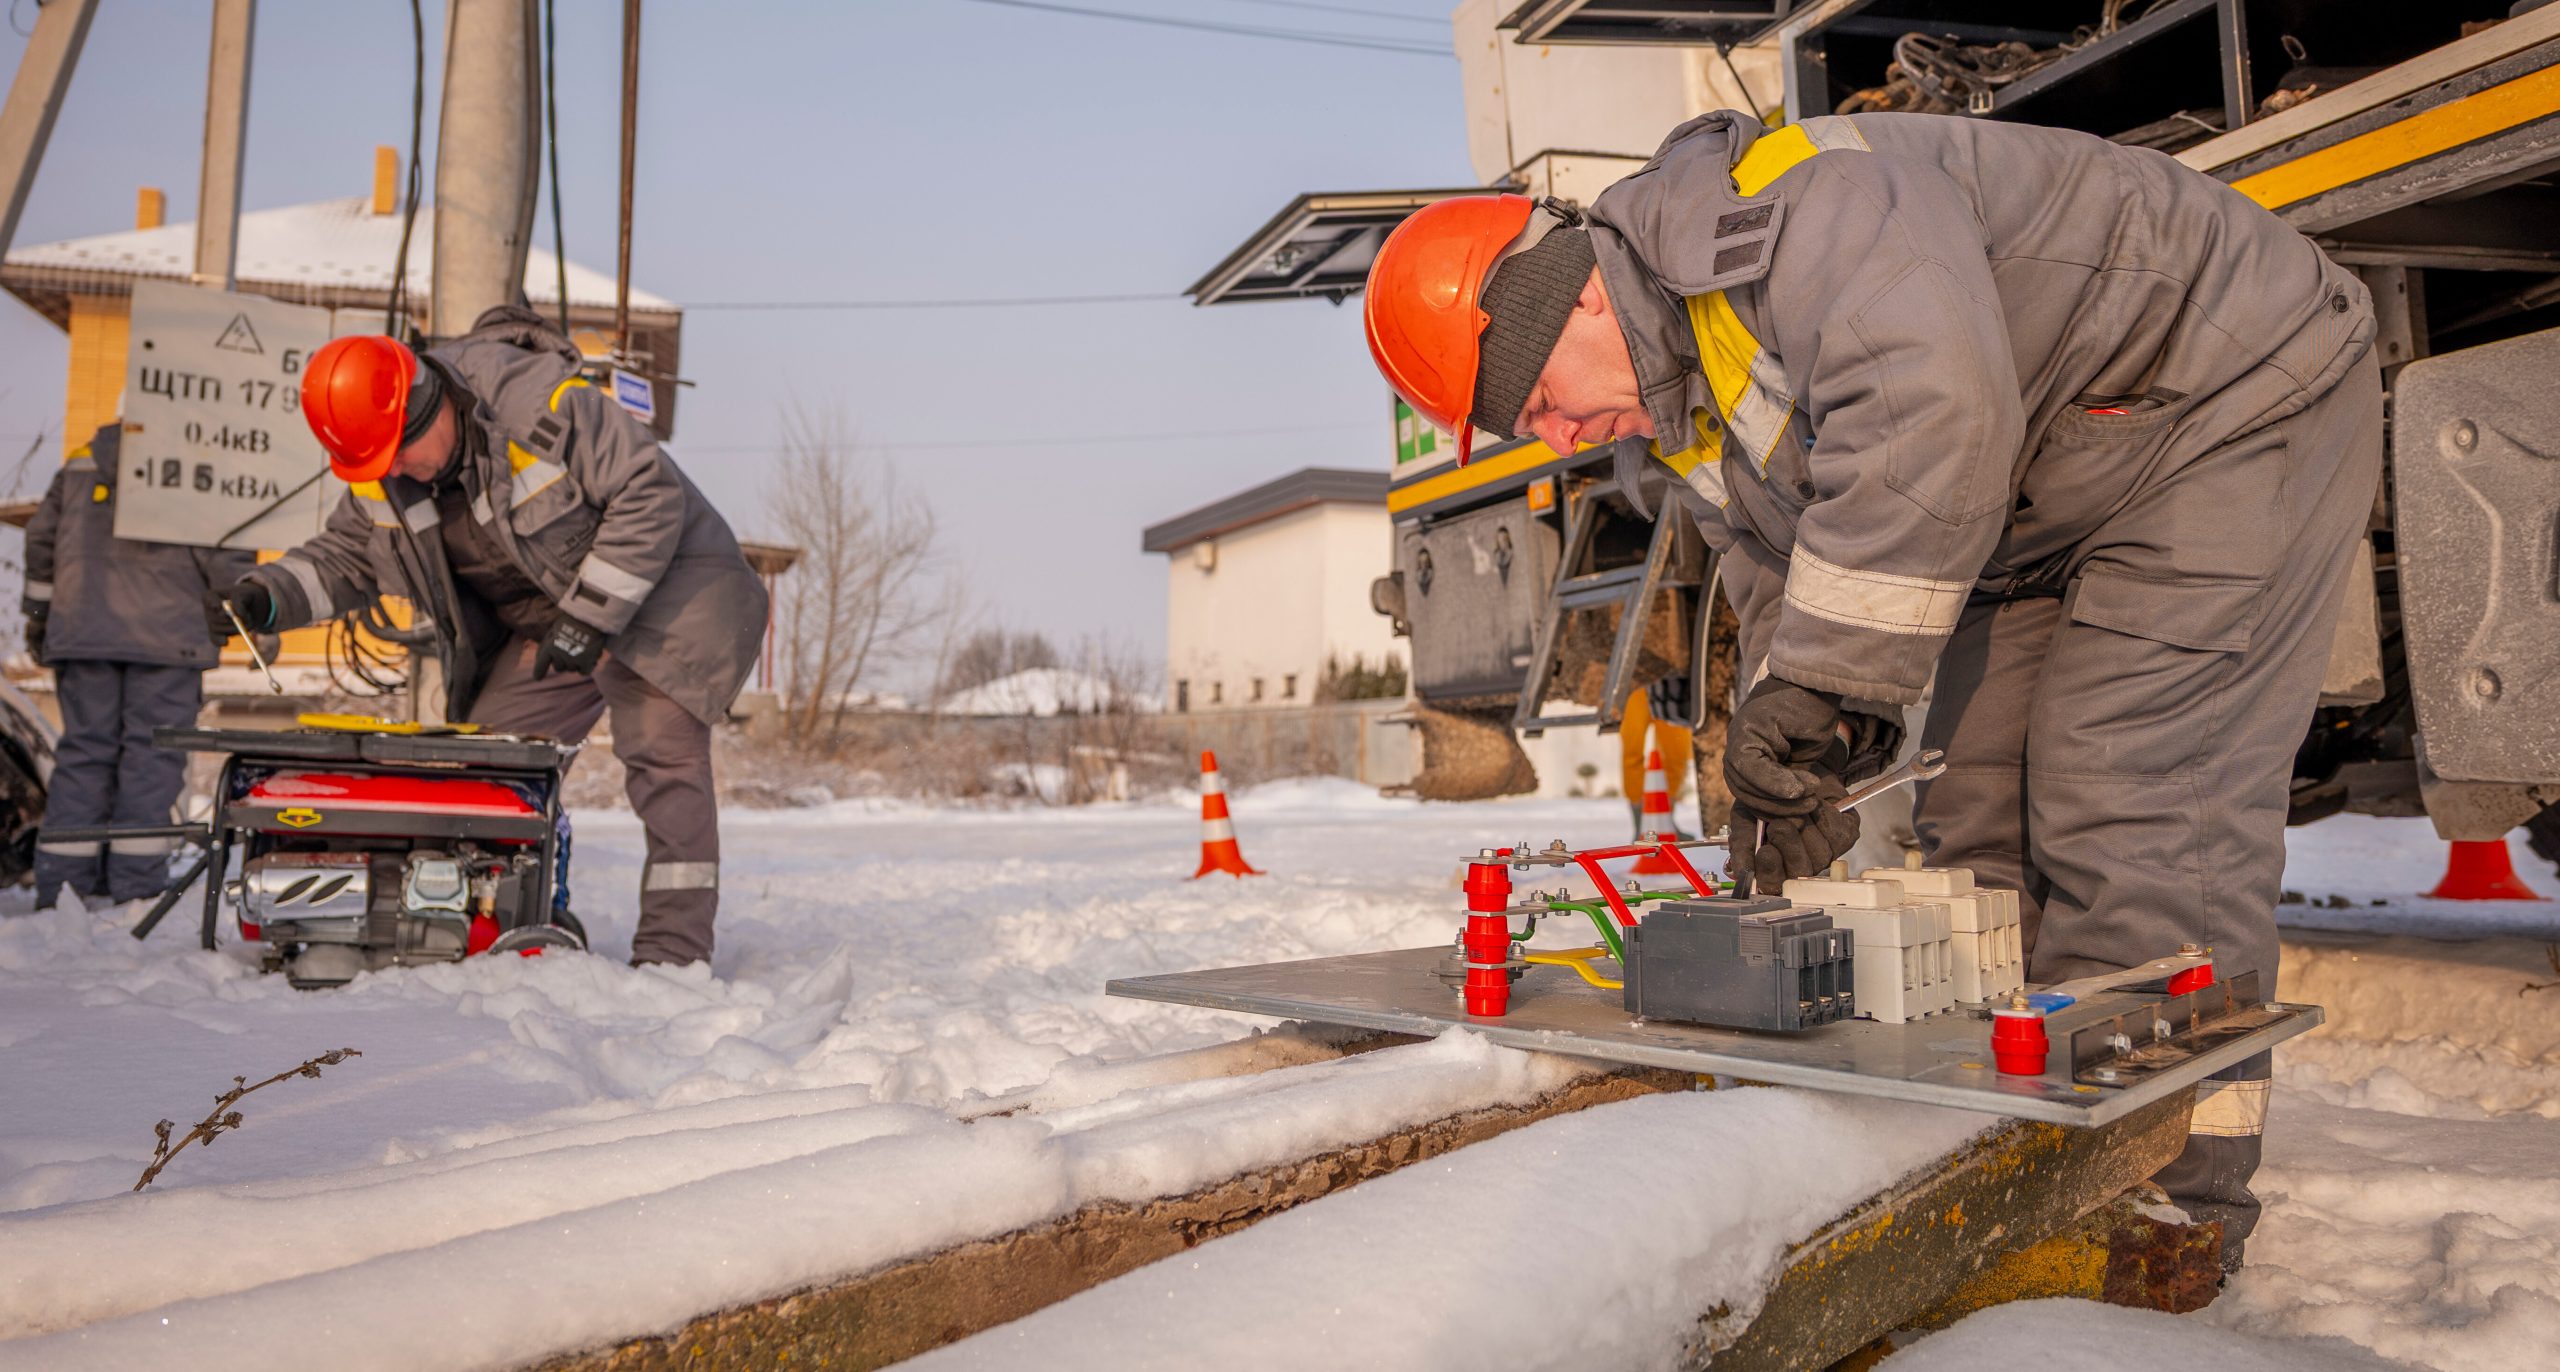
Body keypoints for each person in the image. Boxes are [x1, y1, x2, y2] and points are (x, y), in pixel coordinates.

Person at [1361, 109, 2383, 1265]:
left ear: (1577, 301)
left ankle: (2166, 1210)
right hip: (2039, 496)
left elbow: (1928, 415)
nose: (1552, 437)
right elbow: (1778, 573)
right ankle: (2022, 1151)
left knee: (2134, 798)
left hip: (2218, 401)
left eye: (1534, 398)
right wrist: (1800, 737)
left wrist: (1827, 680)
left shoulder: (1803, 211)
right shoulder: (1682, 410)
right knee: (1975, 830)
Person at [215, 307, 767, 967]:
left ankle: (673, 958)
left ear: (429, 408)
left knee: (662, 761)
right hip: (549, 625)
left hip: (661, 598)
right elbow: (346, 558)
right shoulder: (387, 473)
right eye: (378, 462)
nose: (395, 472)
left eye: (399, 454)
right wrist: (268, 596)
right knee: (487, 770)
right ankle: (517, 914)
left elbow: (647, 494)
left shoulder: (542, 404)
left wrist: (590, 617)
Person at [22, 423, 255, 909]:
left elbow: (42, 543)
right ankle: (136, 889)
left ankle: (64, 888)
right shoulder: (199, 464)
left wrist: (40, 622)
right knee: (151, 759)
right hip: (167, 638)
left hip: (84, 633)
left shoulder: (83, 460)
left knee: (84, 751)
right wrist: (258, 628)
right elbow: (224, 552)